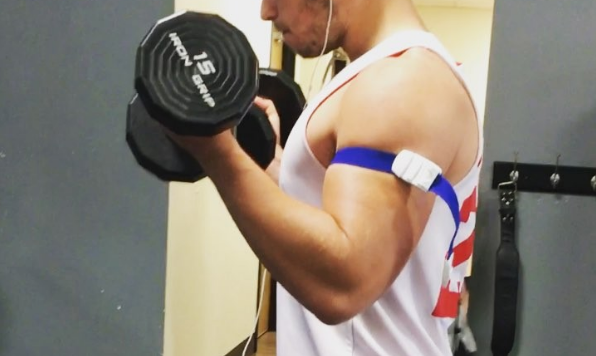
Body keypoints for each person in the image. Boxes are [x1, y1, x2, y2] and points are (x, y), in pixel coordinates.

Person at [166, 0, 483, 354]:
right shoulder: (397, 74)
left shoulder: (399, 83)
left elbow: (343, 284)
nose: (266, 12)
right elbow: (345, 223)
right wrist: (269, 166)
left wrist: (215, 152)